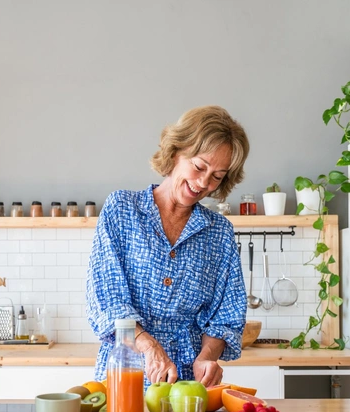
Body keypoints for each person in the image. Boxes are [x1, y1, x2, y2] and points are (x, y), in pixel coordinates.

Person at [86, 105, 249, 389]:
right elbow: (107, 298)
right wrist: (149, 347)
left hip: (190, 387)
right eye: (199, 166)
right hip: (127, 374)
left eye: (217, 176)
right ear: (176, 152)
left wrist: (207, 358)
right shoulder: (122, 210)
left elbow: (226, 314)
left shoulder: (219, 232)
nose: (203, 183)